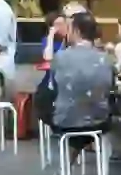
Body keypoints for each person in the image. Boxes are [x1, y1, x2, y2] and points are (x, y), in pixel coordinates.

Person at [50, 11, 114, 166]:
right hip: (99, 119)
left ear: (77, 31)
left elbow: (54, 86)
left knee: (65, 108)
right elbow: (109, 86)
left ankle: (65, 165)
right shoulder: (106, 58)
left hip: (65, 119)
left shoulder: (60, 57)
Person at [34, 11, 68, 125]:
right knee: (41, 95)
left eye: (63, 24)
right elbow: (47, 57)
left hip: (66, 78)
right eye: (57, 24)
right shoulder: (48, 41)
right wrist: (51, 36)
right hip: (51, 78)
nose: (62, 27)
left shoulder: (71, 41)